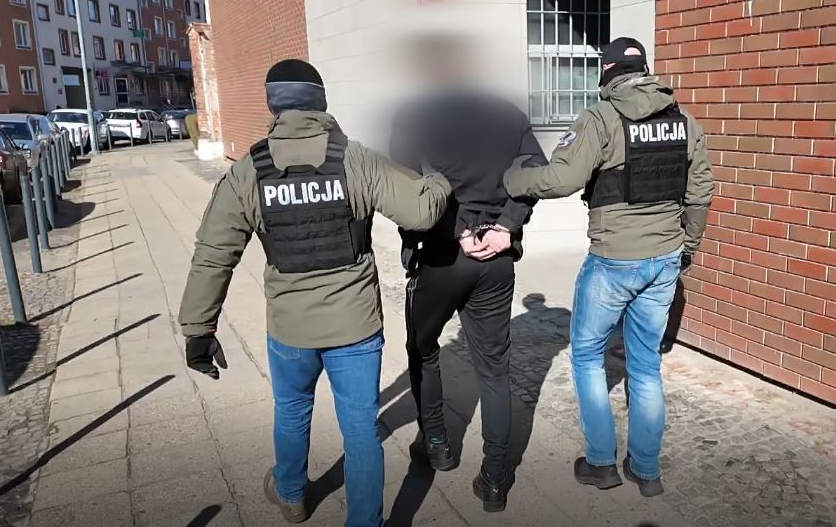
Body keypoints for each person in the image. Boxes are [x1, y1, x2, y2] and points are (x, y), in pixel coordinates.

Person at [177, 59, 451, 527]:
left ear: (273, 105)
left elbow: (213, 255)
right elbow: (421, 211)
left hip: (291, 328)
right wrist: (440, 179)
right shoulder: (355, 158)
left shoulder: (249, 172)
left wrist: (198, 329)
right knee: (361, 430)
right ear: (320, 101)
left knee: (291, 411)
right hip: (355, 326)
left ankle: (291, 496)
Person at [504, 37, 713, 497]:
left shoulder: (600, 118)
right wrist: (688, 247)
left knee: (586, 355)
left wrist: (513, 179)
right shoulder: (684, 122)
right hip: (664, 259)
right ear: (645, 72)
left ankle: (601, 463)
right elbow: (700, 193)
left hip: (614, 259)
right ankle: (646, 470)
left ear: (607, 73)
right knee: (646, 364)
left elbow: (562, 179)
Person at [389, 37, 547, 513]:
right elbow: (536, 170)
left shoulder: (414, 115)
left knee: (423, 349)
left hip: (442, 256)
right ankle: (495, 478)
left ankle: (437, 442)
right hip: (495, 258)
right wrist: (506, 226)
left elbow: (405, 191)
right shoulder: (507, 114)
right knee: (495, 370)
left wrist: (456, 230)